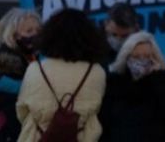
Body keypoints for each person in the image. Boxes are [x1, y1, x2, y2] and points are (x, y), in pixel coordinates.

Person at [17, 9, 107, 142]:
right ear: (89, 37)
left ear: (49, 36)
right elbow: (97, 111)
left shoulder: (35, 69)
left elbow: (22, 110)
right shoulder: (96, 71)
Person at [100, 31, 165, 142]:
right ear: (126, 58)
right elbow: (104, 122)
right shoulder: (114, 84)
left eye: (147, 56)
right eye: (136, 56)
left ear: (155, 58)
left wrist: (159, 79)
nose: (141, 60)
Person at [0, 9, 41, 142]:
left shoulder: (30, 55)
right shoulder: (6, 58)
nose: (35, 34)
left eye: (38, 30)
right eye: (29, 31)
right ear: (14, 35)